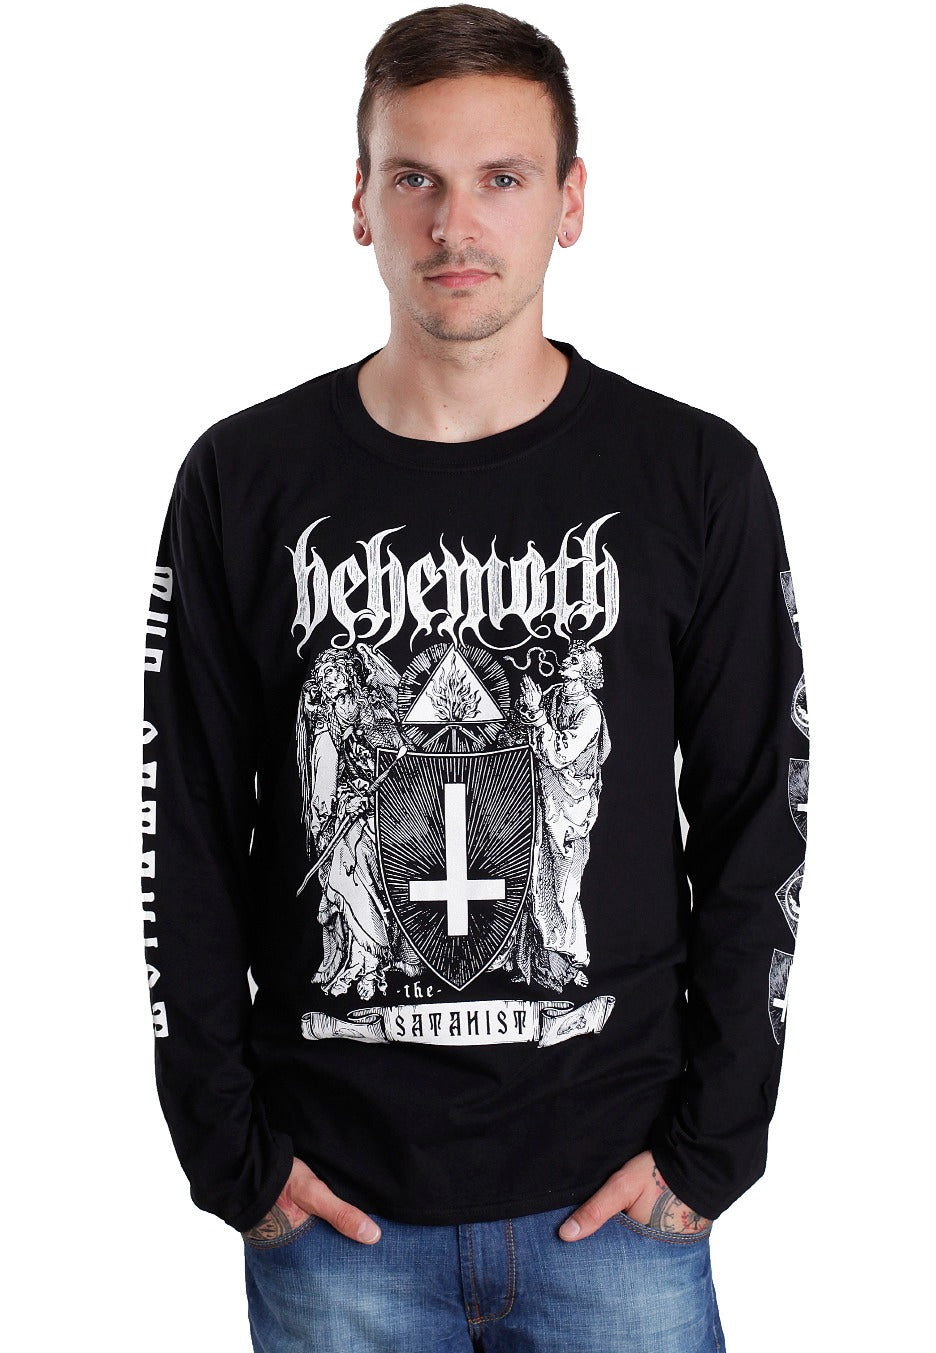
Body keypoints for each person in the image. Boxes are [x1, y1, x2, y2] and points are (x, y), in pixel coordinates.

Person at [140, 6, 809, 1350]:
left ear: (571, 201)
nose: (455, 224)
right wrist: (234, 1159)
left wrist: (711, 1150)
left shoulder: (693, 477)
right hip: (336, 1214)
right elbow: (189, 827)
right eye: (416, 178)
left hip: (619, 1208)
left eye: (503, 177)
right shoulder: (244, 480)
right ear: (360, 202)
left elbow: (759, 817)